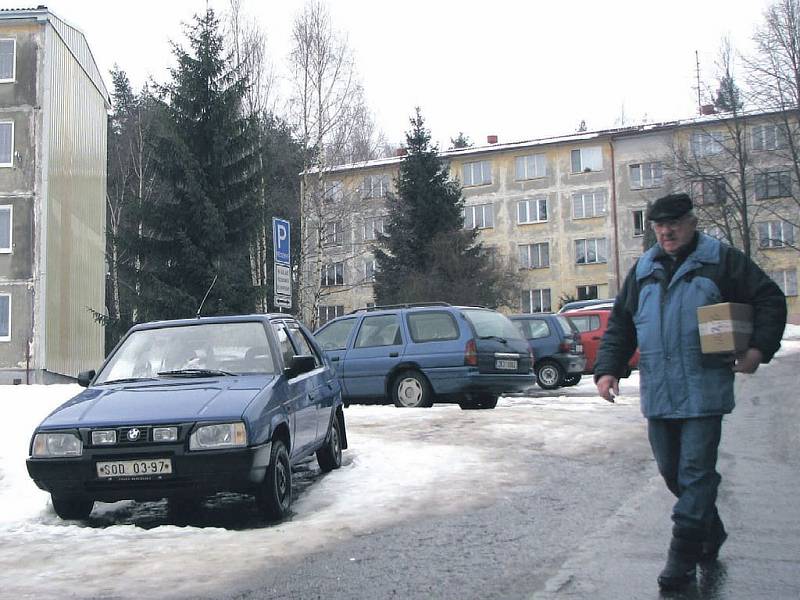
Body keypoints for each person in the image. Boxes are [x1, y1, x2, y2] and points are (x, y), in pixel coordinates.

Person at [593, 193, 787, 592]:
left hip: (704, 388)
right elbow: (621, 324)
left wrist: (757, 349)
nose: (667, 232)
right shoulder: (644, 268)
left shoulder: (722, 261)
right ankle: (709, 530)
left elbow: (769, 298)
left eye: (674, 224)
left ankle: (681, 556)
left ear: (692, 222)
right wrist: (608, 369)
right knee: (671, 472)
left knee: (695, 472)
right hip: (660, 393)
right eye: (659, 226)